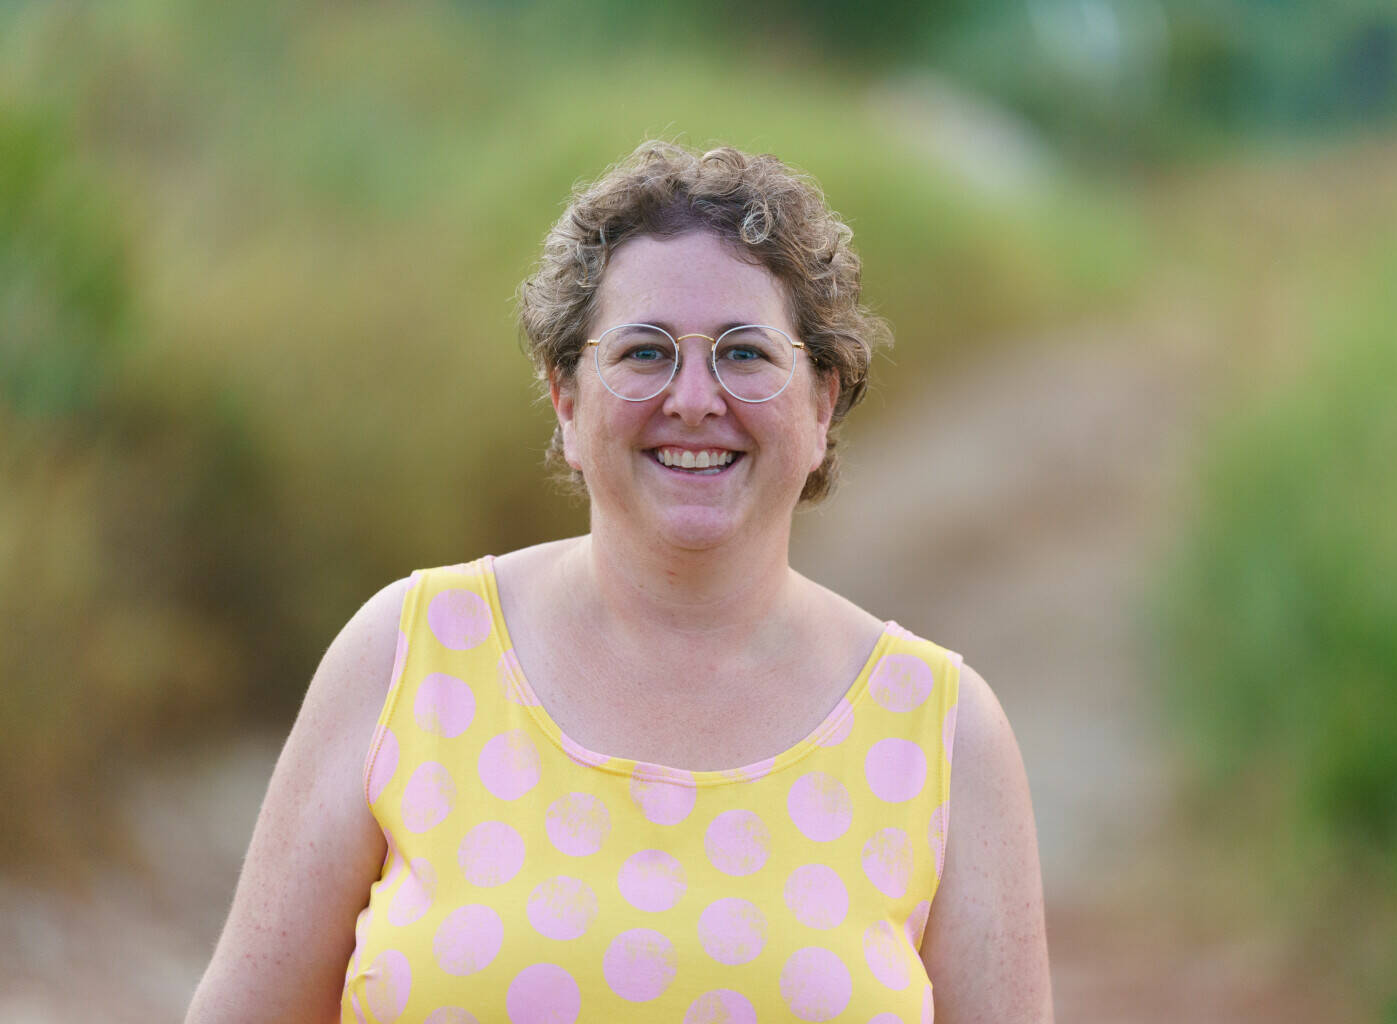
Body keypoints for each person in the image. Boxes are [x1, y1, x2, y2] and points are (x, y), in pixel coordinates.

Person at [186, 141, 1052, 1023]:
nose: (694, 399)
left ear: (821, 403)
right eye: (644, 351)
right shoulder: (408, 655)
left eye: (745, 354)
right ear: (566, 400)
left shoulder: (945, 731)